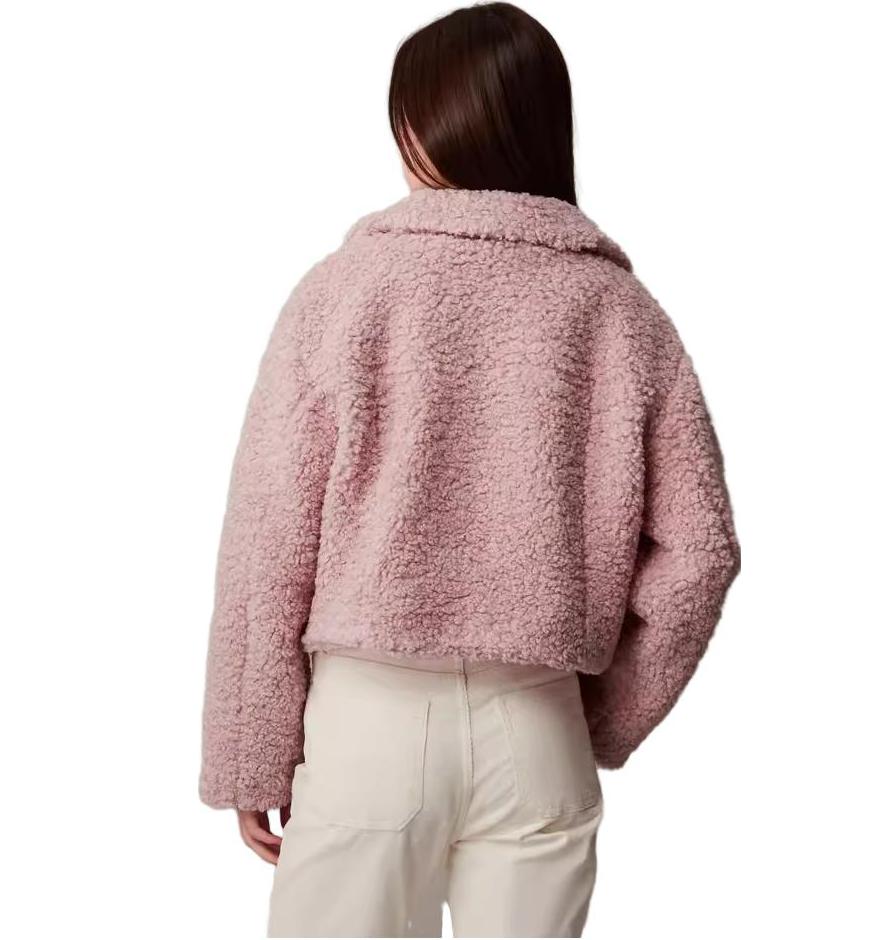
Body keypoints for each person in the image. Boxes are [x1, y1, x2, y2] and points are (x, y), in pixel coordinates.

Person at [198, 3, 741, 936]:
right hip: (538, 725)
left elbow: (268, 539)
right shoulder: (620, 310)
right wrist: (600, 717)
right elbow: (702, 552)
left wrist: (252, 749)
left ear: (426, 128)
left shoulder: (343, 293)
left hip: (368, 727)